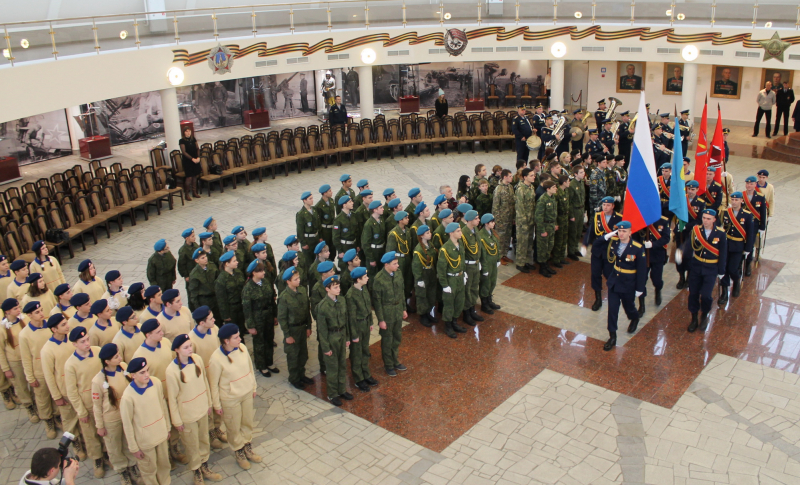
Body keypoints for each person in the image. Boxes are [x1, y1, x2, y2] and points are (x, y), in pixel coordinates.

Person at [166, 335, 222, 485]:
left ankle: (205, 466)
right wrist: (177, 421)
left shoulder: (196, 359)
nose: (190, 349)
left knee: (204, 440)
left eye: (190, 346)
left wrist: (209, 403)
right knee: (191, 445)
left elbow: (204, 381)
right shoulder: (171, 371)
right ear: (177, 350)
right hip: (187, 415)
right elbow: (172, 399)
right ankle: (196, 471)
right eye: (185, 347)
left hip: (202, 409)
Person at [207, 323, 260, 470]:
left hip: (246, 393)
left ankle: (248, 446)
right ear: (226, 341)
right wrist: (217, 405)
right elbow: (213, 384)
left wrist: (253, 386)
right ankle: (239, 452)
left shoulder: (242, 349)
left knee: (247, 422)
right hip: (230, 399)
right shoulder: (216, 359)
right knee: (233, 427)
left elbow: (250, 368)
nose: (240, 339)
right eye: (236, 337)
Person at [593, 221, 646, 351]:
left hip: (628, 283)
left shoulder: (637, 248)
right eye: (619, 231)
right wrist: (607, 235)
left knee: (629, 307)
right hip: (614, 282)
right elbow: (596, 245)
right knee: (612, 310)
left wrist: (640, 288)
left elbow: (642, 270)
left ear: (630, 232)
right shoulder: (614, 242)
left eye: (624, 231)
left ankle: (634, 318)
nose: (621, 234)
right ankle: (612, 336)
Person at [41, 316, 88, 460]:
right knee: (69, 420)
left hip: (80, 386)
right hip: (65, 390)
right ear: (54, 329)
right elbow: (49, 375)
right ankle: (76, 444)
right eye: (63, 325)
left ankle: (87, 441)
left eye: (66, 323)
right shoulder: (47, 350)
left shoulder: (73, 341)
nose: (67, 326)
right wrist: (57, 396)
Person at [119, 357, 172, 485]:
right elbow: (127, 424)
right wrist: (133, 448)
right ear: (133, 375)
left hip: (160, 434)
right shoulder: (128, 397)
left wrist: (167, 427)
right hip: (145, 442)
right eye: (142, 372)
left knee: (164, 465)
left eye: (147, 370)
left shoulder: (156, 383)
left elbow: (163, 406)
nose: (147, 374)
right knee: (149, 470)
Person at [92, 344, 138, 485]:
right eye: (116, 356)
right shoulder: (98, 380)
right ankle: (122, 470)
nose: (120, 358)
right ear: (107, 361)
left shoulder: (124, 367)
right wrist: (100, 426)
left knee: (128, 441)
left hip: (127, 415)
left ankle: (132, 466)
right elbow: (97, 406)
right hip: (111, 419)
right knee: (114, 446)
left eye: (119, 354)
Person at [64, 327, 105, 478]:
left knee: (105, 430)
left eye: (87, 339)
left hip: (103, 401)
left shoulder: (98, 351)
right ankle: (97, 459)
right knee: (91, 434)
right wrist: (81, 411)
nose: (87, 343)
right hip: (87, 404)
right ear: (74, 344)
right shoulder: (71, 364)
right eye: (82, 342)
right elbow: (72, 391)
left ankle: (107, 454)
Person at [187, 307, 228, 451]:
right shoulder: (191, 339)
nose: (214, 320)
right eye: (211, 318)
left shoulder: (214, 329)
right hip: (204, 379)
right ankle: (210, 432)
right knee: (208, 405)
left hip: (217, 374)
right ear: (202, 323)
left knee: (218, 401)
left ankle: (218, 427)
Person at [683, 209, 728, 332]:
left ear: (714, 219)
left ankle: (704, 315)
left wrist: (721, 270)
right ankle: (693, 318)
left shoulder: (720, 234)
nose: (705, 221)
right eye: (704, 218)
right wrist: (684, 262)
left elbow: (723, 253)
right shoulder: (696, 230)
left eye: (708, 218)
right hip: (696, 266)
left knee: (706, 295)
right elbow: (689, 248)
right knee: (693, 293)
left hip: (711, 268)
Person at [19, 304, 58, 439]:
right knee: (42, 398)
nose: (41, 313)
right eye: (37, 312)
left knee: (55, 394)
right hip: (39, 371)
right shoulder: (24, 335)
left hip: (54, 369)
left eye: (41, 310)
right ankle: (48, 421)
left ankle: (57, 416)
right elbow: (26, 358)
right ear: (29, 315)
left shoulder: (50, 327)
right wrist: (30, 377)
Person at [315, 275, 351, 406]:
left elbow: (345, 321)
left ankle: (342, 390)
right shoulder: (323, 306)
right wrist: (326, 348)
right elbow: (322, 330)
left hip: (341, 336)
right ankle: (332, 394)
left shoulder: (341, 300)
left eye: (339, 286)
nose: (338, 289)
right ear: (327, 289)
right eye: (335, 287)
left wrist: (347, 338)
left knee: (342, 364)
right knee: (332, 368)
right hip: (331, 338)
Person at [0, 299, 37, 421]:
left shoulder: (24, 319)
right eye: (15, 308)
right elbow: (1, 350)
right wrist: (6, 369)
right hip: (15, 360)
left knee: (33, 381)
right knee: (21, 385)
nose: (18, 309)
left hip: (28, 357)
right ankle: (29, 406)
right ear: (7, 311)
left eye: (18, 307)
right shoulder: (2, 328)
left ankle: (36, 403)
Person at [242, 260, 279, 378]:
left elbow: (271, 300)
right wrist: (250, 325)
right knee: (259, 343)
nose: (263, 272)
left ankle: (269, 362)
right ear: (253, 273)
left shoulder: (266, 282)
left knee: (269, 339)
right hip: (257, 318)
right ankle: (261, 365)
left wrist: (274, 315)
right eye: (260, 271)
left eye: (263, 270)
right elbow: (247, 309)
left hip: (268, 315)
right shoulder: (248, 288)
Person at [373, 252, 408, 376]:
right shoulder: (379, 279)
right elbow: (377, 302)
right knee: (387, 340)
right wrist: (381, 320)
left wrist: (404, 308)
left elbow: (401, 292)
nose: (397, 266)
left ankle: (395, 361)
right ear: (386, 264)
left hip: (397, 310)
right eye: (394, 264)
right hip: (387, 314)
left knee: (397, 338)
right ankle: (388, 365)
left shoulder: (398, 274)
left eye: (397, 263)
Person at [277, 267, 312, 390]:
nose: (299, 280)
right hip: (292, 330)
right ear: (288, 281)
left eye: (298, 278)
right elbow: (282, 318)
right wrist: (287, 335)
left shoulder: (302, 290)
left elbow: (307, 310)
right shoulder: (284, 297)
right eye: (295, 279)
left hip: (302, 328)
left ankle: (301, 375)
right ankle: (294, 378)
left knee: (303, 354)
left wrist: (309, 326)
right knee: (293, 356)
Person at [585, 197, 622, 311]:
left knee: (609, 274)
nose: (605, 207)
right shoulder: (597, 216)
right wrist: (585, 244)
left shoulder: (619, 219)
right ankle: (598, 298)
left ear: (613, 206)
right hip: (597, 251)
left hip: (610, 252)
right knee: (595, 275)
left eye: (608, 205)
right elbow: (591, 231)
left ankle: (613, 294)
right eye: (604, 205)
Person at [719, 192, 755, 306]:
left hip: (738, 246)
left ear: (741, 201)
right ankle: (724, 292)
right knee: (723, 269)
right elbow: (720, 228)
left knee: (732, 269)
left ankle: (736, 281)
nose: (734, 202)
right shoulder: (725, 212)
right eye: (732, 199)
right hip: (726, 245)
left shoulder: (747, 215)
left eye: (736, 200)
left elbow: (750, 233)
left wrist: (748, 248)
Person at [345, 267, 376, 393]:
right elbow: (351, 318)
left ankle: (366, 374)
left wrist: (371, 322)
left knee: (365, 350)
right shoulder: (351, 295)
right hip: (357, 326)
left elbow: (368, 306)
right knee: (356, 354)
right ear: (358, 279)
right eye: (365, 277)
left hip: (365, 324)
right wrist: (354, 335)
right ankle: (358, 379)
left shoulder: (364, 289)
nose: (367, 278)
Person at [636, 212, 670, 314]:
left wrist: (653, 244)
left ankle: (658, 289)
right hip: (643, 255)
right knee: (641, 280)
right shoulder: (641, 219)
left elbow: (666, 238)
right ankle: (641, 305)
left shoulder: (663, 221)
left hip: (657, 255)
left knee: (656, 279)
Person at [437, 223, 467, 339]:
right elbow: (441, 269)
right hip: (450, 279)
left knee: (459, 301)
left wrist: (464, 274)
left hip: (459, 277)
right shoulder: (445, 249)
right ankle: (448, 325)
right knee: (449, 304)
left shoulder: (460, 245)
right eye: (458, 231)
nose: (461, 233)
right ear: (451, 233)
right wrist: (444, 285)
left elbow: (462, 261)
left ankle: (454, 322)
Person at [675, 180, 707, 289]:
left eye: (693, 189)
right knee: (679, 255)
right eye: (689, 189)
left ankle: (688, 277)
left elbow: (699, 220)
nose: (691, 191)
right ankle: (681, 277)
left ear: (697, 190)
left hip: (692, 233)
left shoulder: (701, 203)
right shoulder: (681, 200)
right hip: (680, 232)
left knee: (689, 256)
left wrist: (687, 226)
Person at [412, 225, 438, 327]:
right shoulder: (418, 250)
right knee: (422, 295)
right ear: (422, 236)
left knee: (431, 294)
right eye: (427, 233)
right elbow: (416, 265)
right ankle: (423, 315)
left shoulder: (430, 245)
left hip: (430, 272)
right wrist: (419, 279)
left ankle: (428, 312)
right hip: (423, 274)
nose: (430, 234)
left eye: (429, 232)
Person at [460, 209, 483, 324]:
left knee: (474, 288)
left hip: (475, 264)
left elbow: (478, 247)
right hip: (468, 266)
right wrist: (463, 271)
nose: (478, 220)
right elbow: (462, 254)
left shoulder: (475, 230)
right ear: (469, 220)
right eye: (476, 218)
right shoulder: (463, 234)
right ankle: (466, 313)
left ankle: (472, 310)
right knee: (467, 290)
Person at [215, 251, 246, 335]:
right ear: (227, 264)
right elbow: (221, 299)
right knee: (233, 332)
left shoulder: (238, 273)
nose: (237, 262)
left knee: (241, 329)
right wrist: (225, 315)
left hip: (240, 306)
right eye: (234, 261)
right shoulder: (221, 280)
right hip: (231, 309)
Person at [743, 176, 768, 277]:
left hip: (754, 225)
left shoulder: (760, 197)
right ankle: (740, 264)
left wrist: (762, 226)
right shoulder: (742, 195)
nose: (749, 185)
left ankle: (748, 265)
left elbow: (762, 212)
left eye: (751, 184)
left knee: (750, 245)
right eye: (748, 184)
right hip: (742, 224)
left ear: (755, 185)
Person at [478, 214, 502, 314]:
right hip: (486, 263)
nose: (494, 223)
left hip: (493, 262)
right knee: (485, 284)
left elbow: (496, 248)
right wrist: (484, 268)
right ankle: (484, 304)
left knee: (492, 282)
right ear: (486, 224)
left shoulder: (492, 233)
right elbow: (482, 253)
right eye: (492, 222)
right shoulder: (481, 236)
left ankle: (489, 300)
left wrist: (498, 259)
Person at [187, 249, 220, 320]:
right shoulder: (194, 274)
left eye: (205, 256)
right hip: (205, 300)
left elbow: (218, 280)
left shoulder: (212, 266)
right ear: (197, 261)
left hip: (215, 298)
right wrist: (198, 308)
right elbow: (193, 293)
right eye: (202, 258)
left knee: (218, 319)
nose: (206, 259)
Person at [492, 169, 515, 265]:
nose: (511, 177)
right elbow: (495, 206)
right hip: (501, 219)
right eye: (510, 176)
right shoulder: (499, 189)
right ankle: (499, 256)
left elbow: (512, 203)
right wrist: (496, 220)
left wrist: (513, 217)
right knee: (500, 238)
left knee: (507, 237)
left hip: (509, 218)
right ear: (504, 177)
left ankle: (504, 254)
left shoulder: (510, 187)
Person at [535, 180, 559, 277]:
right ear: (548, 189)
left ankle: (546, 265)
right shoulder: (542, 200)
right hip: (544, 227)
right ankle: (542, 267)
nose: (556, 189)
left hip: (551, 226)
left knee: (549, 246)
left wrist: (555, 224)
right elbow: (538, 217)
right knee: (542, 248)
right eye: (554, 187)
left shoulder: (552, 198)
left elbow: (554, 213)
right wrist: (542, 230)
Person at [551, 175, 571, 267]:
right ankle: (556, 259)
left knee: (564, 238)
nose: (569, 182)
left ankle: (561, 257)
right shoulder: (557, 193)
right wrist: (555, 223)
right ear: (564, 182)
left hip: (565, 218)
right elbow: (554, 209)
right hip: (559, 219)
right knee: (558, 240)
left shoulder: (566, 191)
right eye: (568, 181)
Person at [567, 166, 586, 261]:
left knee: (579, 231)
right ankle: (570, 251)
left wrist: (584, 211)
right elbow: (569, 202)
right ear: (575, 174)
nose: (583, 174)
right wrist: (571, 215)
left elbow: (583, 197)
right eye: (581, 172)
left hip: (581, 209)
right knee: (573, 232)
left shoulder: (581, 182)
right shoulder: (572, 185)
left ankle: (575, 248)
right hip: (574, 210)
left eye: (583, 172)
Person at [180, 127, 201, 200]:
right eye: (186, 131)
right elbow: (184, 152)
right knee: (189, 177)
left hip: (195, 159)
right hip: (188, 161)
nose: (188, 133)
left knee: (195, 176)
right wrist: (192, 159)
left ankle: (194, 192)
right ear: (184, 132)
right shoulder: (182, 141)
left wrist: (198, 157)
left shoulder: (193, 139)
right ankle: (187, 194)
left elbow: (197, 148)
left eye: (189, 131)